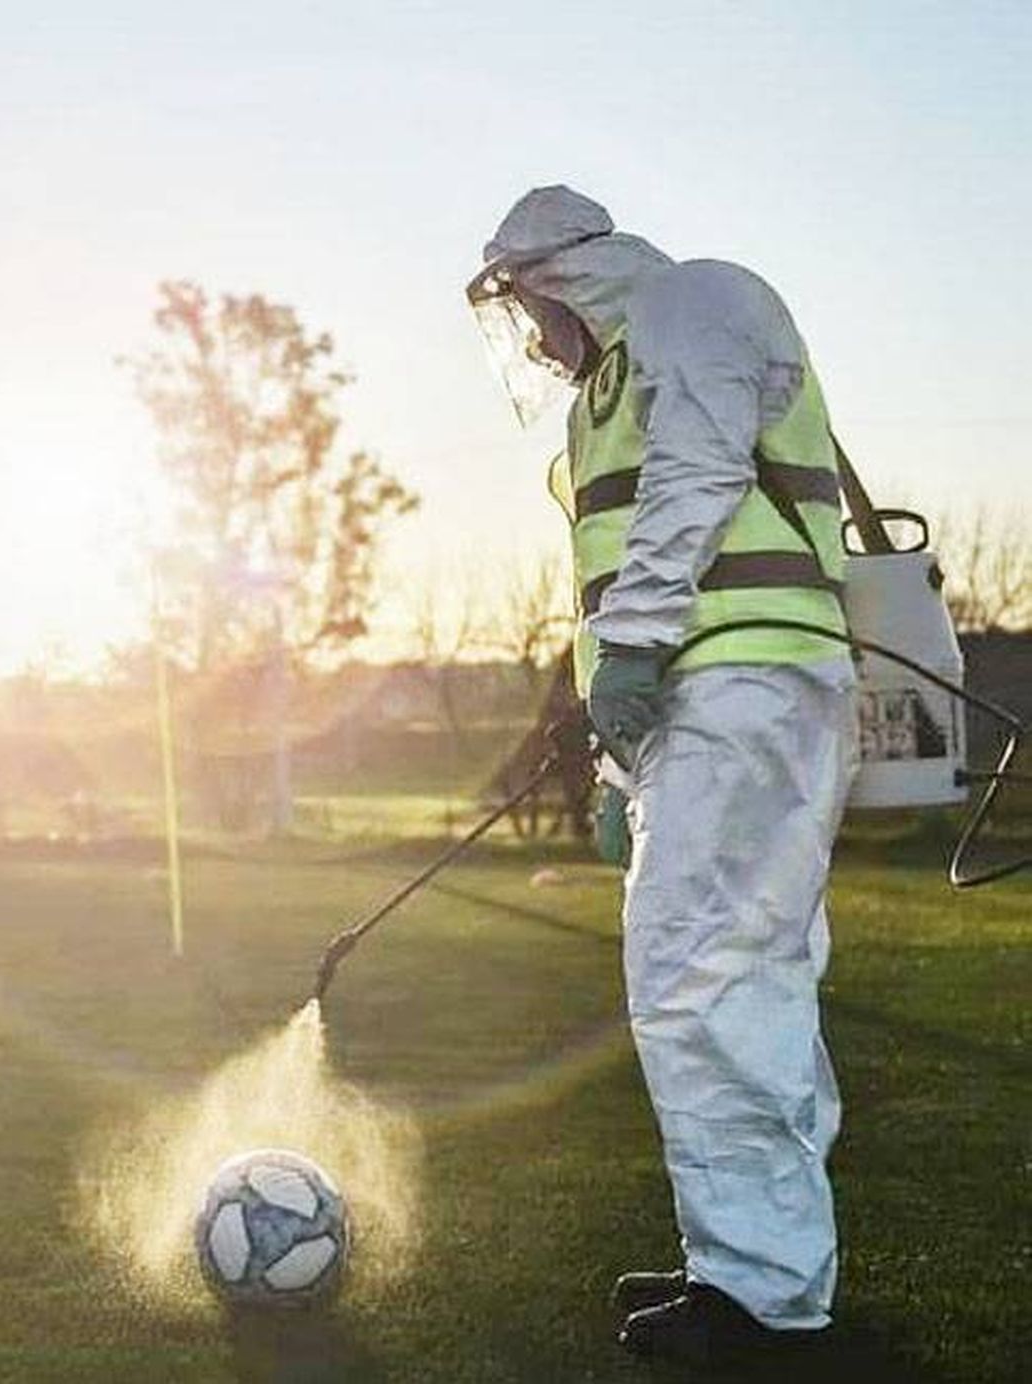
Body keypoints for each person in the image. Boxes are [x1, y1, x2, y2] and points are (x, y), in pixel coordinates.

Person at [468, 186, 859, 1367]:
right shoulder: (604, 395)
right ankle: (750, 1261)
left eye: (535, 307)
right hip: (712, 707)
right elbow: (612, 589)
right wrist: (614, 763)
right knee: (744, 976)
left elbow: (695, 479)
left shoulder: (698, 300)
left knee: (699, 976)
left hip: (745, 684)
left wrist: (634, 650)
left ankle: (761, 1292)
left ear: (567, 274)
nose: (535, 338)